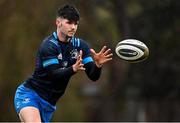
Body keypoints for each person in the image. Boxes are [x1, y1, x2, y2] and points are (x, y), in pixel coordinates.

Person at [14, 4, 113, 122]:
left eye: (76, 23)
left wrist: (98, 65)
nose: (73, 27)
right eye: (69, 23)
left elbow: (93, 76)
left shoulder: (81, 46)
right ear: (58, 23)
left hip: (49, 104)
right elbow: (53, 75)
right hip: (30, 94)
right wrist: (73, 69)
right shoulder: (49, 45)